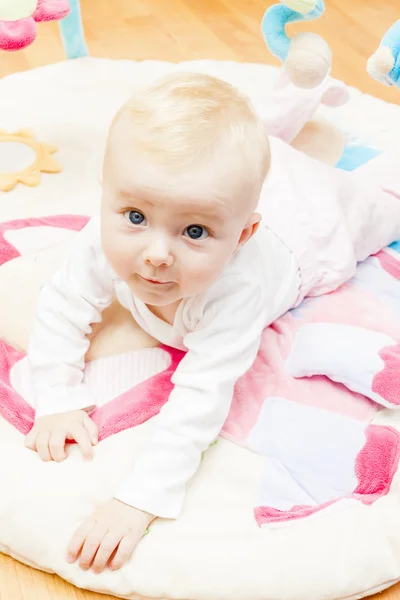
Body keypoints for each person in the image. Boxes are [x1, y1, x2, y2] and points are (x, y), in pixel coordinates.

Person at [25, 71, 400, 574]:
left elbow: (202, 395)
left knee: (382, 203)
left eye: (193, 232)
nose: (156, 255)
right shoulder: (106, 231)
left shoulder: (235, 292)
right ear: (105, 191)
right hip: (250, 195)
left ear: (244, 234)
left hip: (313, 232)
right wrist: (57, 396)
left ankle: (301, 108)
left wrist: (139, 501)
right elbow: (62, 303)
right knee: (250, 155)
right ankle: (293, 103)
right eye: (135, 216)